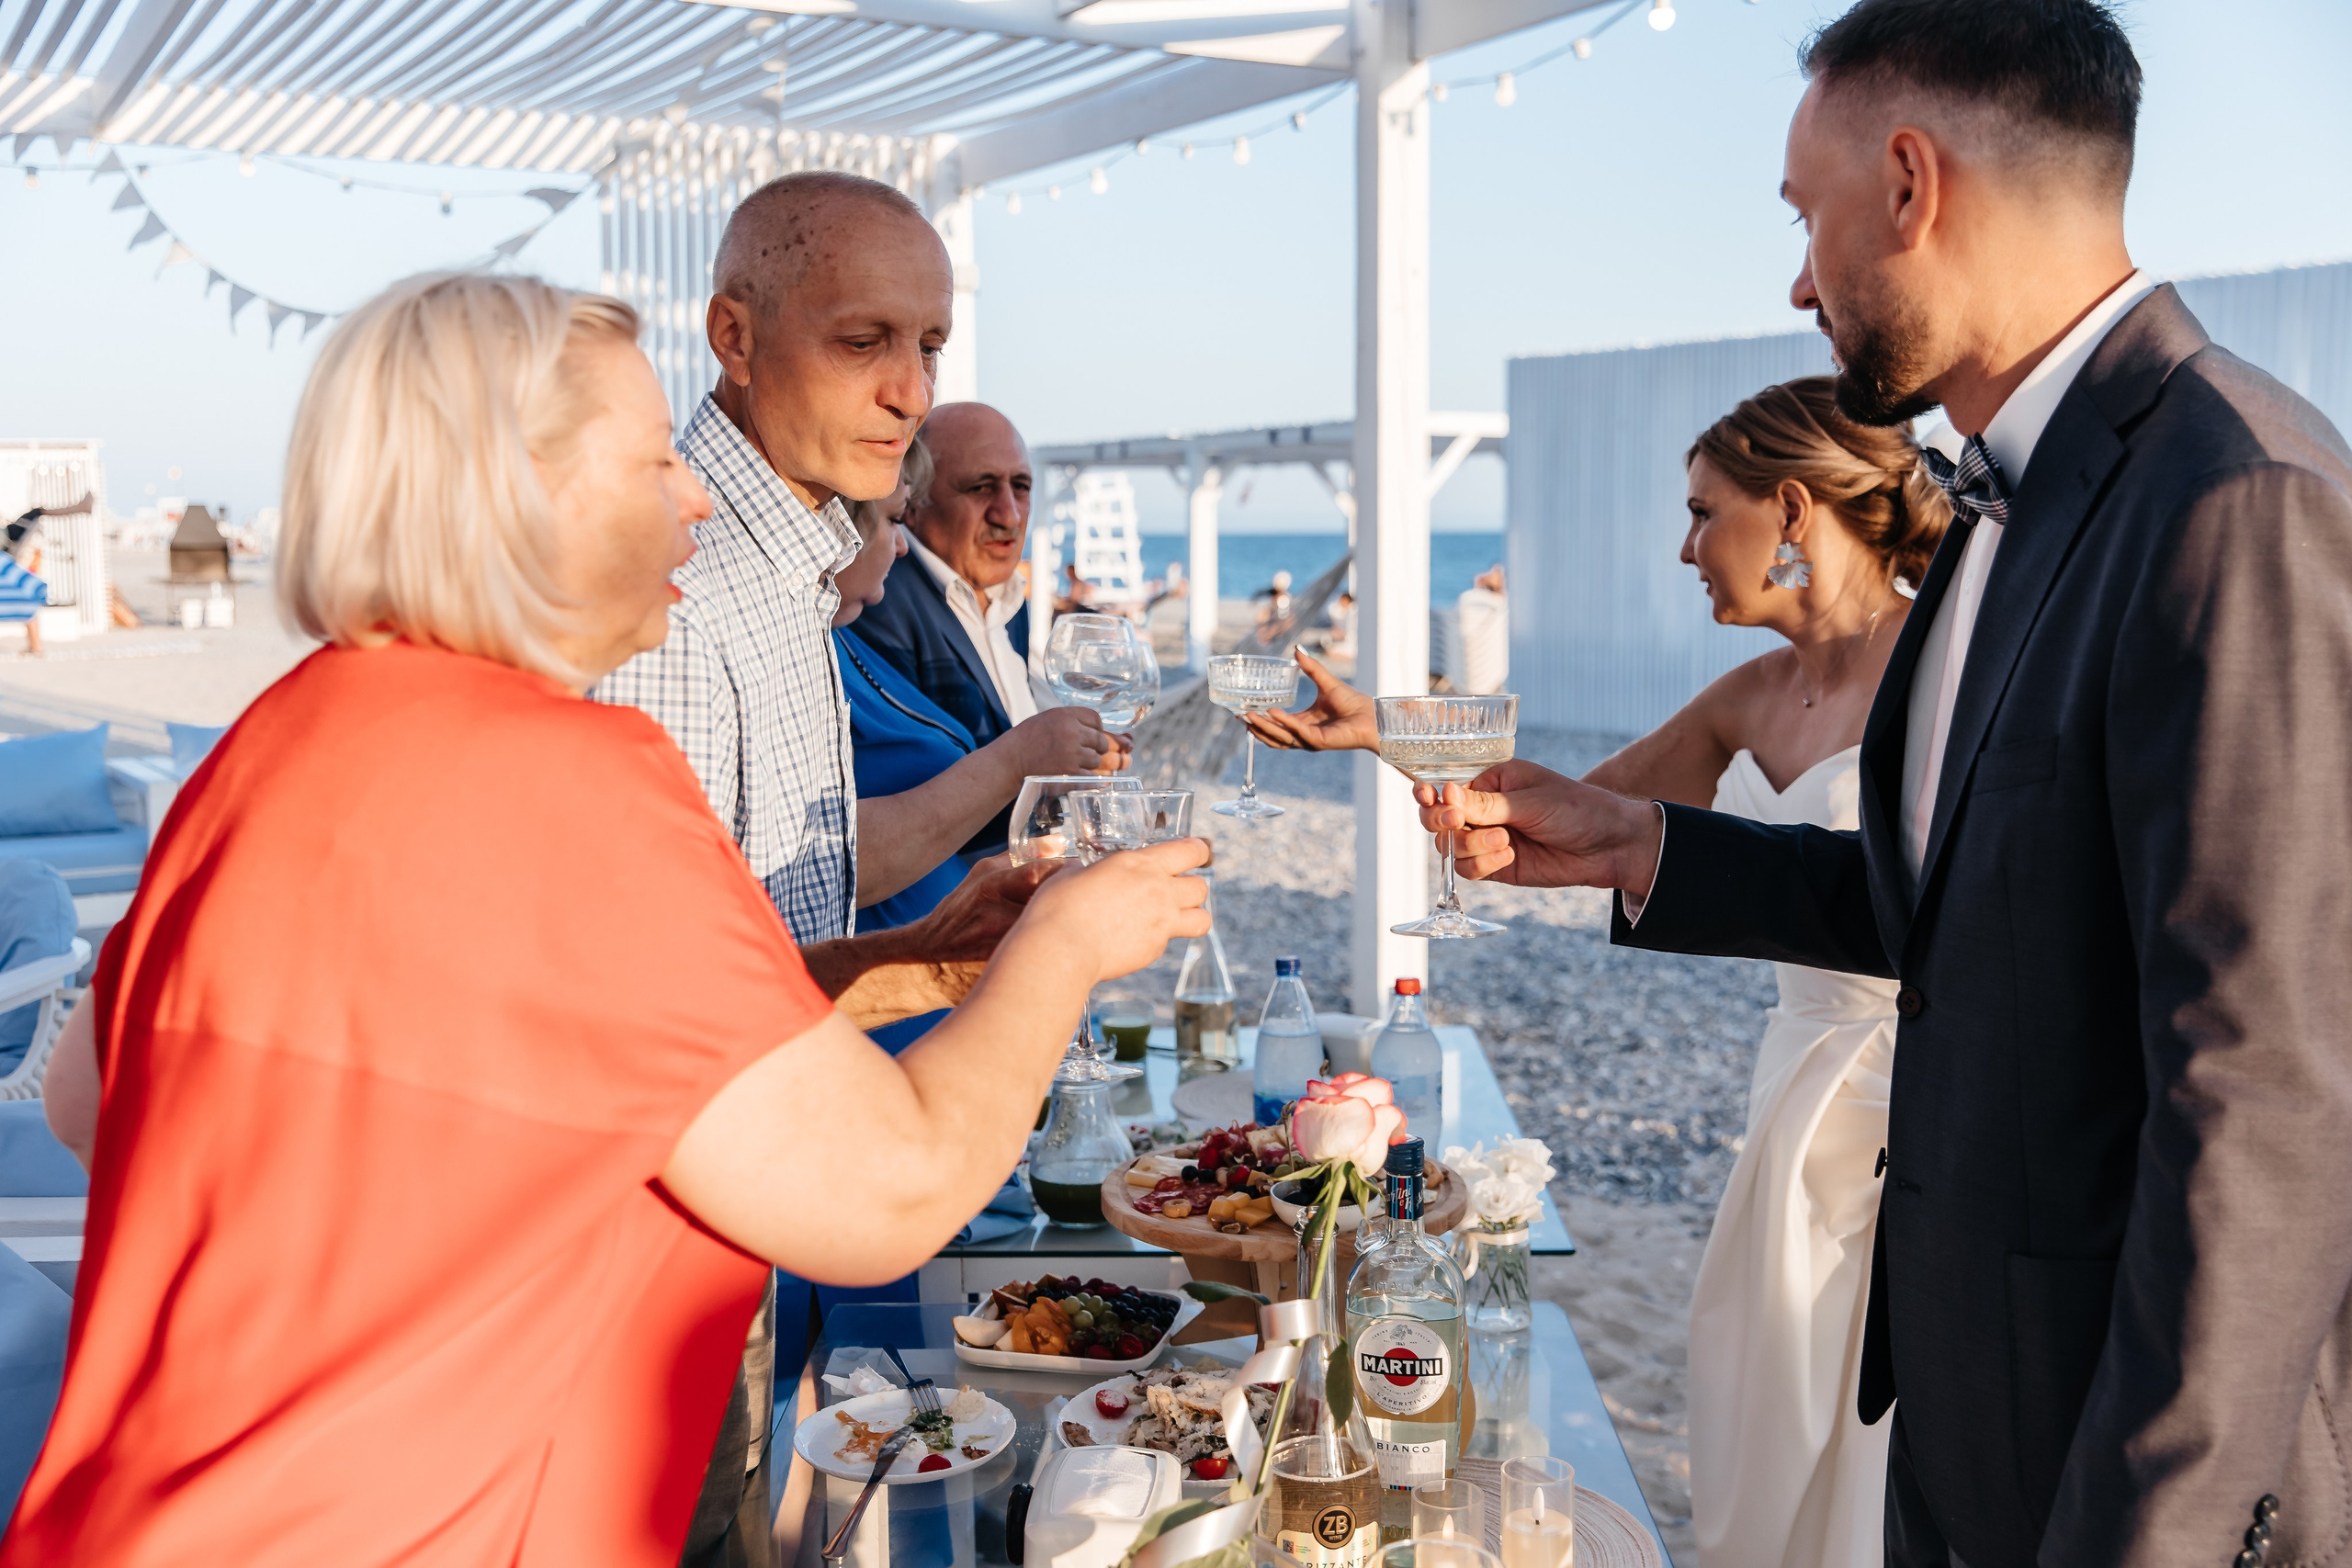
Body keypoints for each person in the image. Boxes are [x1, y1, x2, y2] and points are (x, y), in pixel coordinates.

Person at [6, 272, 1210, 1568]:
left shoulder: (277, 738)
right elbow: (890, 1188)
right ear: (514, 490)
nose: (694, 489)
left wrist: (922, 961)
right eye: (651, 459)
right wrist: (1069, 940)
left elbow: (89, 1094)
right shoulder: (564, 774)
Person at [1418, 4, 2352, 1564]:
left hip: (2112, 1472)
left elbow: (2269, 1096)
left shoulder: (2233, 499)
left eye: (1806, 213)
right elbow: (1945, 904)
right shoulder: (1998, 502)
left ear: (1909, 184)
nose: (1797, 278)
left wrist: (2151, 1532)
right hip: (1951, 1422)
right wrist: (1640, 841)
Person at [1247, 377, 1951, 1568]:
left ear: (1789, 509)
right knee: (1766, 1415)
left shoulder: (1947, 667)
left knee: (1886, 1454)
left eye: (1700, 512)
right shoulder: (1755, 694)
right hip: (1793, 1097)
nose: (1685, 546)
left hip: (1918, 1100)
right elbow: (1581, 805)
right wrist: (1376, 730)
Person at [591, 173, 1069, 1561]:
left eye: (928, 346)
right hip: (681, 1232)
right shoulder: (686, 590)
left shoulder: (785, 567)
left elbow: (770, 886)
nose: (912, 390)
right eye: (866, 342)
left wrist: (953, 935)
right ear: (733, 335)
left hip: (760, 1191)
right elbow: (675, 1008)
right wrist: (1026, 970)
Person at [832, 435, 1125, 1052]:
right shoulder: (876, 610)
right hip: (879, 1030)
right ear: (917, 506)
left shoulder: (1001, 606)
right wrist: (1028, 763)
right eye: (980, 487)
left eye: (1021, 487)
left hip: (952, 1009)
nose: (1008, 512)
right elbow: (834, 857)